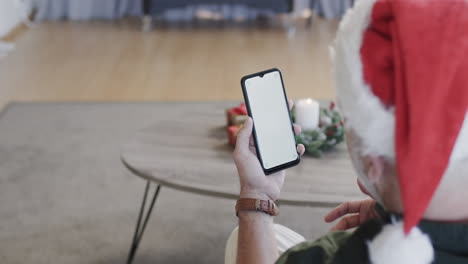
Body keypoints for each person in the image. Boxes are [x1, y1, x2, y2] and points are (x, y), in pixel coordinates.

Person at [225, 0, 468, 263]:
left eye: (348, 119)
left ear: (373, 165)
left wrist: (256, 197)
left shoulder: (324, 257)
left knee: (241, 237)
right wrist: (391, 209)